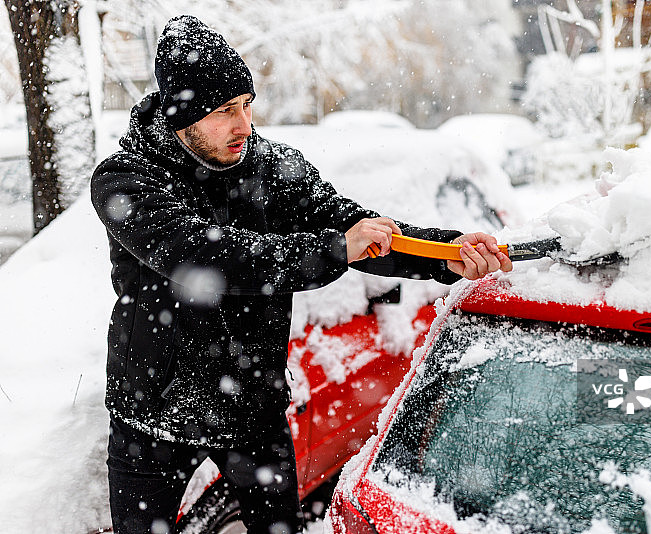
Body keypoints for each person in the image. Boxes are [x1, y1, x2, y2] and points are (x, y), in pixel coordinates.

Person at [91, 15, 512, 534]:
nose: (244, 126)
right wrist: (335, 249)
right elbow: (205, 260)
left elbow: (353, 226)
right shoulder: (126, 180)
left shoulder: (269, 166)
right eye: (225, 112)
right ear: (183, 116)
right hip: (154, 418)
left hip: (252, 408)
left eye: (247, 106)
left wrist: (443, 252)